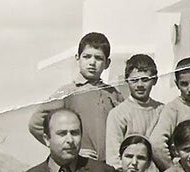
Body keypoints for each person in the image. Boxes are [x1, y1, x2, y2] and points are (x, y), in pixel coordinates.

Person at [28, 31, 124, 160]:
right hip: (79, 165)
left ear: (107, 63)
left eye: (98, 58)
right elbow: (36, 123)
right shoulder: (68, 92)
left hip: (108, 166)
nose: (92, 62)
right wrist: (69, 149)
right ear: (77, 58)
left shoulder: (113, 94)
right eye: (87, 56)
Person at [105, 54, 164, 171]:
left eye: (145, 79)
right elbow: (114, 160)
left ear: (155, 80)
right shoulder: (118, 114)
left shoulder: (162, 110)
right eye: (134, 80)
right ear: (127, 80)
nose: (140, 85)